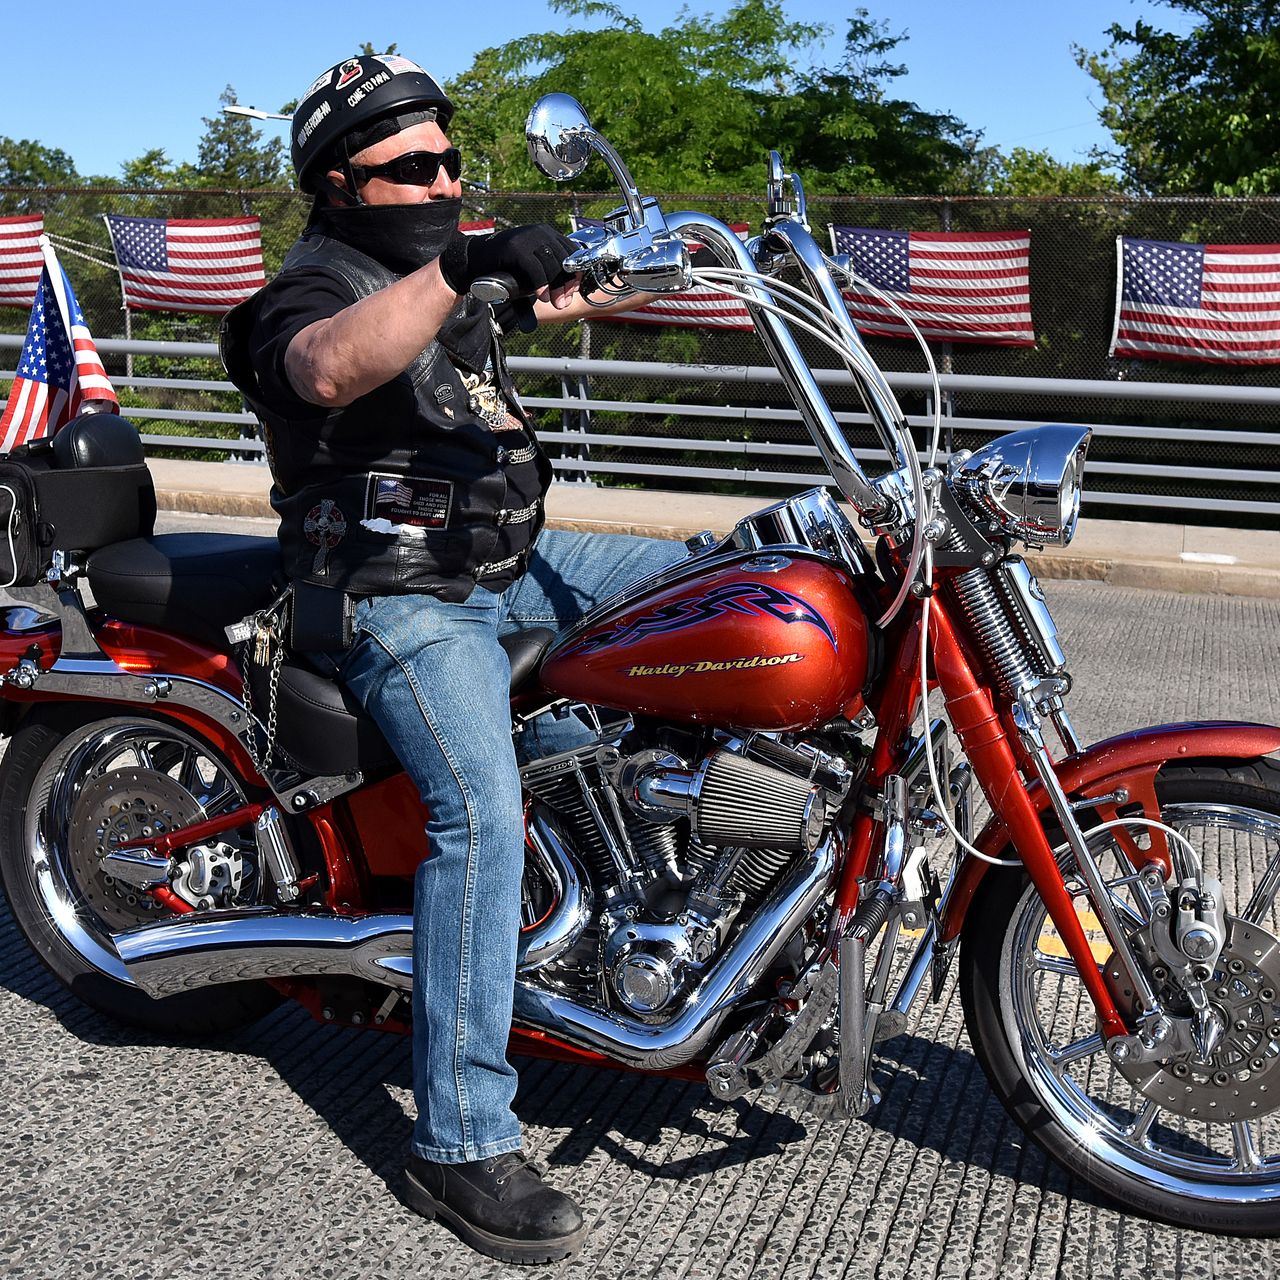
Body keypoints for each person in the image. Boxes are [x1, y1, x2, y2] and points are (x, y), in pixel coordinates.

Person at [220, 53, 680, 1266]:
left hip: (507, 558)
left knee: (735, 576)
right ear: (338, 184)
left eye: (451, 160)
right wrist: (463, 258)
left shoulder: (442, 280)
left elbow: (561, 299)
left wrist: (692, 252)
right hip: (392, 590)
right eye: (411, 165)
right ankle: (462, 1138)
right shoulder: (308, 290)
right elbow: (328, 366)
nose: (443, 178)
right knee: (477, 812)